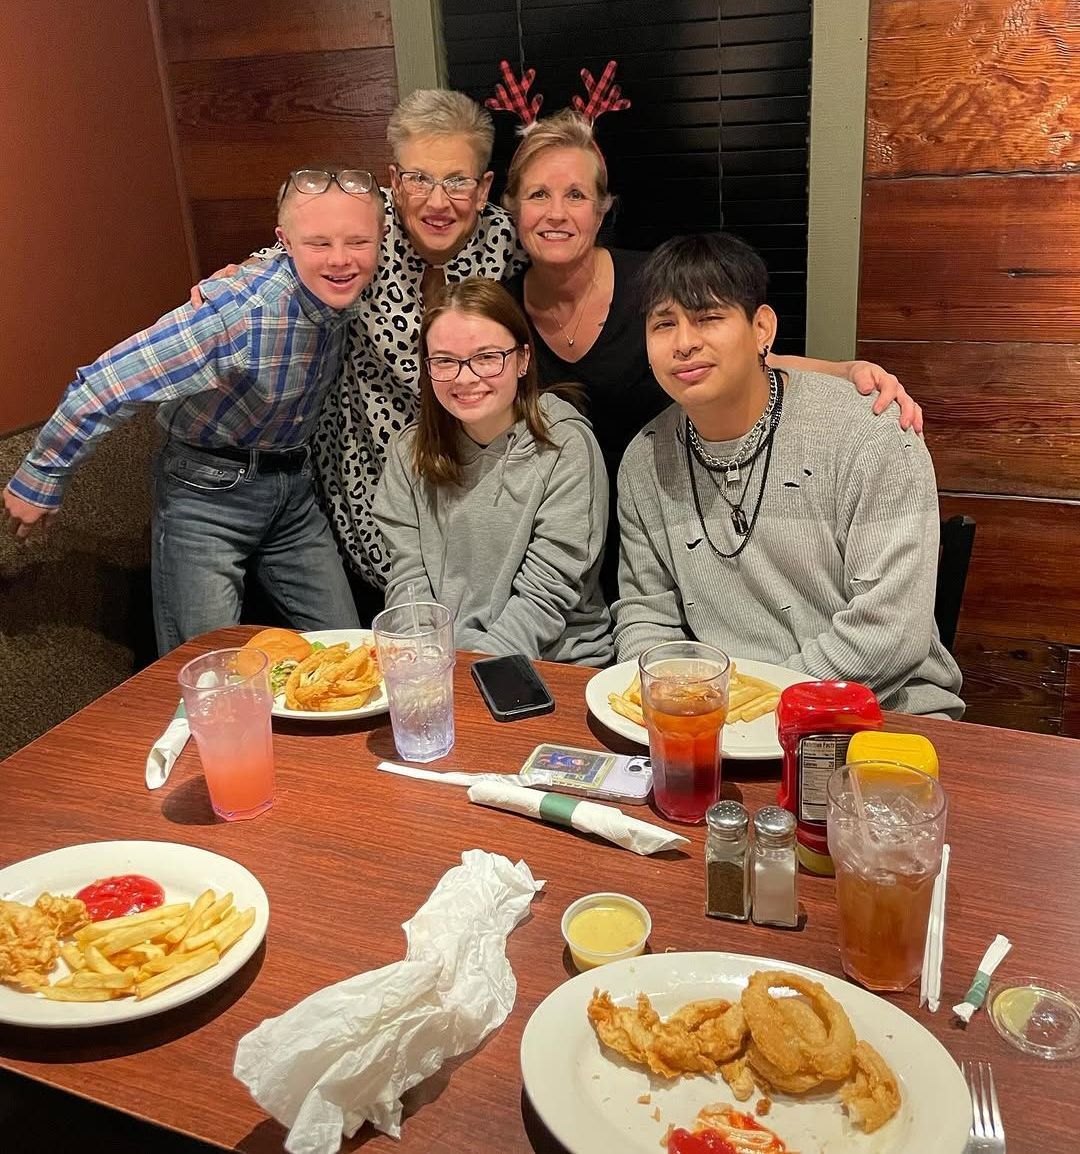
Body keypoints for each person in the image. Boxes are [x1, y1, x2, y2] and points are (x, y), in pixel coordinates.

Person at [499, 109, 923, 598]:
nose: (556, 212)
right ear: (513, 207)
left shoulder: (654, 287)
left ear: (601, 209)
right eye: (538, 195)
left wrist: (846, 371)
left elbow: (737, 355)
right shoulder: (501, 316)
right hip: (561, 552)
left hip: (672, 523)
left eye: (575, 194)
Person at [4, 168, 384, 654]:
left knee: (350, 649)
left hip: (293, 491)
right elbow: (106, 381)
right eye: (318, 244)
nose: (340, 259)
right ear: (284, 242)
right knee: (208, 670)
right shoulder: (236, 314)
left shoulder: (349, 288)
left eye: (358, 242)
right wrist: (41, 475)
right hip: (205, 494)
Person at [197, 91, 527, 610]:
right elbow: (295, 252)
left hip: (472, 481)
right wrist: (234, 281)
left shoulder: (509, 243)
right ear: (393, 182)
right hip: (366, 480)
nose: (438, 202)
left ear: (484, 187)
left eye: (457, 181)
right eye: (419, 179)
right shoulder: (363, 233)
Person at [614, 232, 963, 718]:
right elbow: (646, 617)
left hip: (878, 712)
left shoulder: (870, 432)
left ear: (762, 328)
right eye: (664, 324)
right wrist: (673, 701)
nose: (685, 343)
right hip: (716, 725)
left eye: (709, 318)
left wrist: (756, 703)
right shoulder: (644, 462)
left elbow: (891, 633)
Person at [373, 278, 611, 665]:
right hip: (440, 662)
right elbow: (408, 583)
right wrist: (424, 664)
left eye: (486, 358)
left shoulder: (564, 444)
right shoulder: (409, 451)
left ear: (522, 360)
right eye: (446, 361)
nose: (465, 378)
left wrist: (470, 672)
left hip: (552, 662)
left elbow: (546, 595)